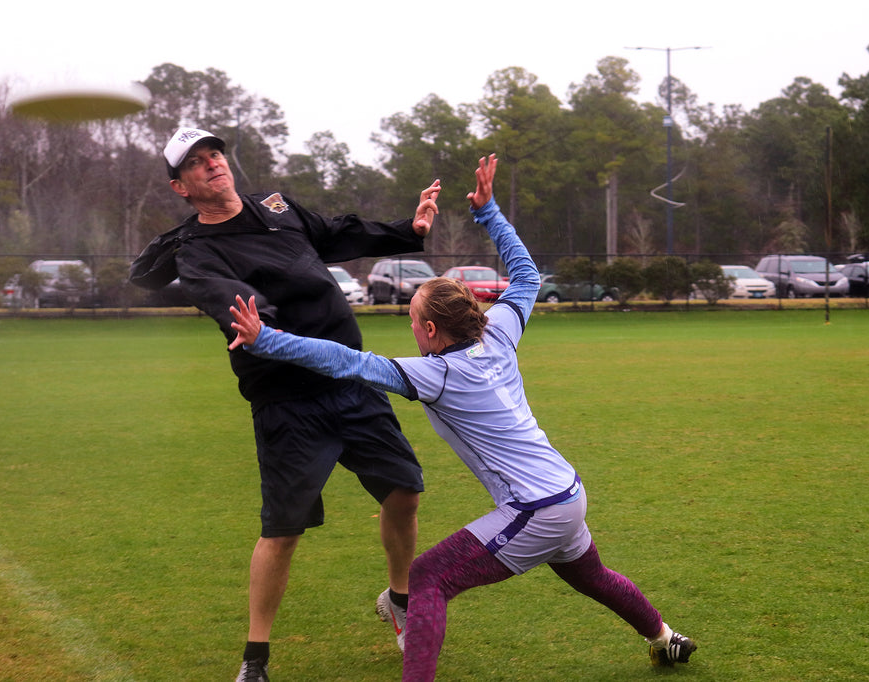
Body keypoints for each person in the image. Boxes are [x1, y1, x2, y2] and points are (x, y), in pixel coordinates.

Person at [228, 154, 697, 680]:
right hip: (566, 490)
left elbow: (348, 362)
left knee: (427, 578)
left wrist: (267, 339)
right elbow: (526, 274)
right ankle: (664, 638)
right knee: (591, 576)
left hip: (536, 506)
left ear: (430, 330)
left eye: (411, 320)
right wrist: (489, 212)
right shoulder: (499, 331)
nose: (409, 329)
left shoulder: (438, 375)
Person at [129, 127, 441, 682]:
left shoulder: (277, 207)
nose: (213, 165)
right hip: (287, 403)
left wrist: (405, 230)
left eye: (215, 155)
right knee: (283, 529)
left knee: (405, 492)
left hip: (351, 382)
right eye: (197, 164)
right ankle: (255, 660)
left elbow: (336, 231)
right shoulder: (196, 251)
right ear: (181, 187)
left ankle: (399, 598)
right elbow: (233, 305)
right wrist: (262, 325)